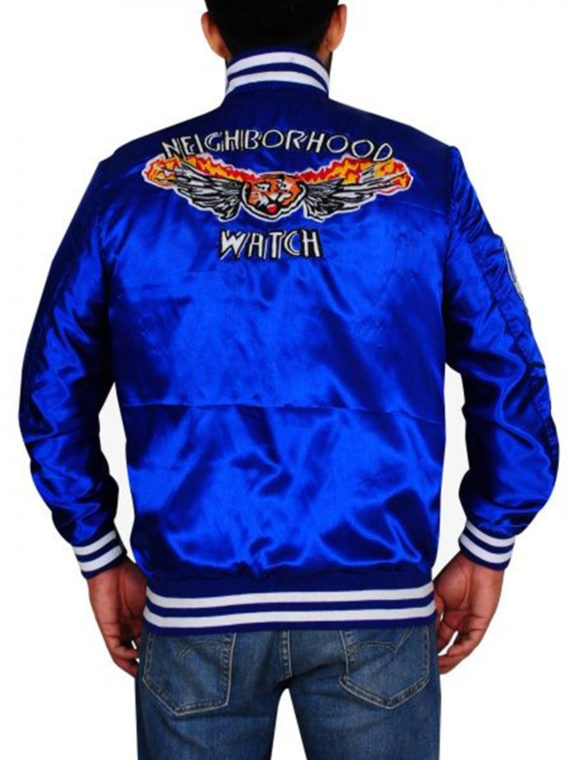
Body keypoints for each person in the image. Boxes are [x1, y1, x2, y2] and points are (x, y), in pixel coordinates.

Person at [18, 2, 559, 759]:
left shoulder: (128, 184)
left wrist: (98, 550)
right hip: (375, 605)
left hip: (195, 607)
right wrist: (489, 541)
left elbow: (53, 384)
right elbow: (511, 368)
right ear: (338, 23)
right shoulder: (427, 176)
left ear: (212, 30)